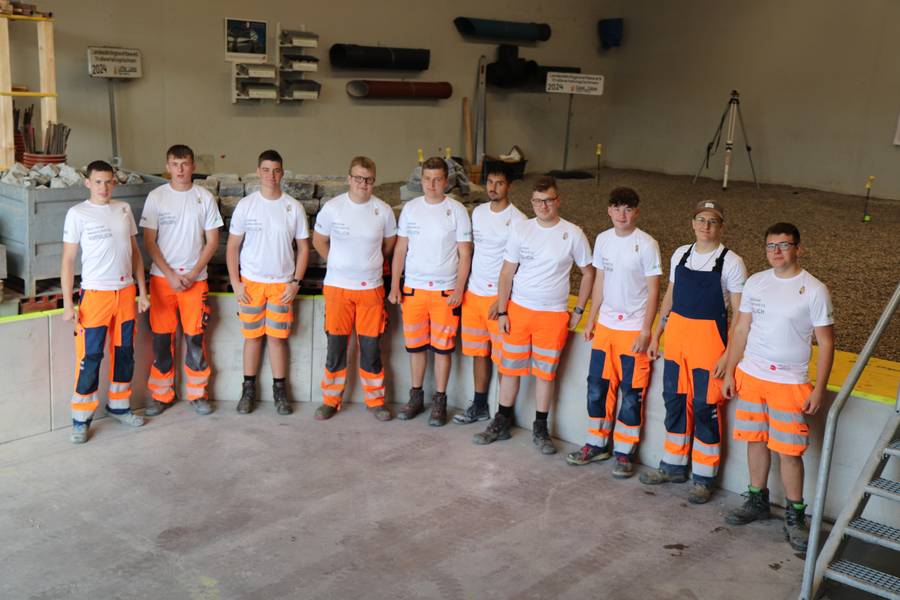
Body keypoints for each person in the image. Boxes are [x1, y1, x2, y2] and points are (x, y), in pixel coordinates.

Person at [722, 222, 834, 552]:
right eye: (771, 246)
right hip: (752, 376)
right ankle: (757, 499)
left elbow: (827, 343)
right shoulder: (756, 282)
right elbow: (741, 329)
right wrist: (730, 371)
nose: (777, 252)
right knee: (755, 440)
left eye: (784, 245)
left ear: (798, 248)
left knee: (789, 451)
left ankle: (795, 515)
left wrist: (819, 389)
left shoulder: (814, 290)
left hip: (789, 382)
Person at [474, 175, 595, 455]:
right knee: (509, 369)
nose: (543, 206)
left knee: (545, 374)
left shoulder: (572, 233)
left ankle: (541, 427)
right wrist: (503, 310)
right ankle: (501, 421)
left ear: (558, 201)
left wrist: (579, 310)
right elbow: (507, 272)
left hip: (552, 315)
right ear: (532, 202)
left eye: (548, 200)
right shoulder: (521, 229)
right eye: (538, 201)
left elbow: (588, 273)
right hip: (519, 311)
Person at [642, 200, 747, 504]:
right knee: (674, 401)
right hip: (677, 343)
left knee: (705, 406)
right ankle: (672, 466)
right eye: (701, 219)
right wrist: (657, 333)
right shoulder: (680, 254)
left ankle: (704, 477)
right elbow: (670, 297)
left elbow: (740, 314)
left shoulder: (731, 262)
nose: (706, 226)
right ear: (693, 223)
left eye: (712, 221)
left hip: (709, 346)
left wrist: (728, 356)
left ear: (721, 226)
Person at [567, 187, 661, 478]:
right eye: (617, 208)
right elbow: (600, 281)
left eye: (628, 209)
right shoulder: (603, 239)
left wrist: (646, 330)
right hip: (605, 329)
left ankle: (624, 452)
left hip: (632, 331)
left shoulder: (647, 244)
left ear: (636, 212)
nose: (622, 214)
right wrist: (591, 319)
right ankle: (596, 444)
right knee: (597, 387)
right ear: (609, 210)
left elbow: (654, 290)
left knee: (631, 393)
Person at [60, 160, 150, 443]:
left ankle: (119, 406)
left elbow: (135, 252)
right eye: (98, 181)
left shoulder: (123, 209)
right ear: (88, 183)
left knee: (124, 352)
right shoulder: (77, 214)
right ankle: (81, 419)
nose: (104, 187)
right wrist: (67, 303)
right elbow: (68, 260)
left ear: (114, 183)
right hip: (95, 296)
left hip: (125, 293)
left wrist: (142, 291)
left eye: (109, 181)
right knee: (90, 356)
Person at [388, 157, 472, 426]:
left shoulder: (456, 210)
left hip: (445, 292)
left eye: (437, 180)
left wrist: (459, 288)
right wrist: (395, 285)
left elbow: (465, 253)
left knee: (443, 349)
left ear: (446, 181)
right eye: (427, 179)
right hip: (414, 290)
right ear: (421, 180)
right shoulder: (411, 209)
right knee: (415, 347)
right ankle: (416, 397)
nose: (432, 185)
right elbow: (401, 249)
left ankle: (440, 401)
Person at [312, 156, 397, 421]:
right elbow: (318, 241)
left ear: (374, 181)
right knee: (336, 347)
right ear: (349, 178)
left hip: (371, 289)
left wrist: (367, 264)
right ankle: (330, 400)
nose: (363, 183)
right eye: (358, 178)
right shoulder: (333, 208)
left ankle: (376, 401)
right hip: (338, 288)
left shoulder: (383, 211)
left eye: (368, 179)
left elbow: (388, 246)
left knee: (371, 348)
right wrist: (338, 263)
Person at [141, 144, 223, 417]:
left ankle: (198, 394)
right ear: (167, 167)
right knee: (161, 340)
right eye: (175, 164)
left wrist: (192, 273)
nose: (180, 169)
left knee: (195, 339)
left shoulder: (204, 197)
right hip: (162, 281)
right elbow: (149, 241)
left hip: (195, 281)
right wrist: (171, 275)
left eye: (185, 164)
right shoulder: (157, 197)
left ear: (193, 166)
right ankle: (161, 395)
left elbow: (212, 242)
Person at [226, 149, 309, 415]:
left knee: (277, 339)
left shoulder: (293, 207)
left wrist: (295, 282)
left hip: (281, 286)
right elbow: (232, 247)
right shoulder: (246, 205)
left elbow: (304, 248)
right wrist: (236, 282)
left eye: (275, 170)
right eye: (265, 170)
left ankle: (280, 393)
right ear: (258, 172)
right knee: (252, 338)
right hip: (251, 284)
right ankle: (248, 391)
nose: (271, 175)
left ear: (282, 173)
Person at [454, 166, 526, 425]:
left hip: (498, 300)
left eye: (500, 183)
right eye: (490, 182)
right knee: (479, 353)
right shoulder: (478, 213)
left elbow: (520, 266)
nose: (493, 188)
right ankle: (480, 404)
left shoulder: (519, 220)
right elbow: (472, 252)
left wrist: (502, 300)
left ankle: (503, 415)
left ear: (509, 186)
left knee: (504, 360)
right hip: (474, 295)